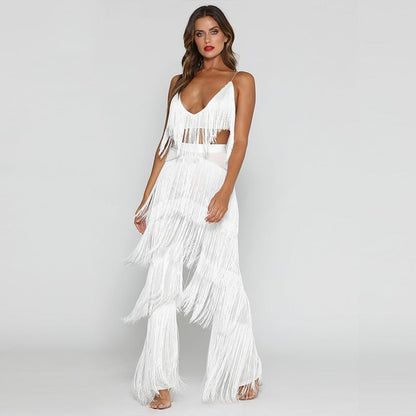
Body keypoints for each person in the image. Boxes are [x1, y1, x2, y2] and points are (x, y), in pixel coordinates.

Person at [122, 5, 262, 409]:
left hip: (212, 179)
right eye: (200, 33)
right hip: (173, 184)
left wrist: (225, 191)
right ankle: (159, 380)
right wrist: (146, 199)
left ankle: (245, 369)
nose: (207, 40)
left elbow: (240, 142)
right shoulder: (177, 82)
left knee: (224, 276)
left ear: (226, 35)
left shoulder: (241, 81)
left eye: (213, 31)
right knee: (162, 278)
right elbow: (164, 145)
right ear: (192, 40)